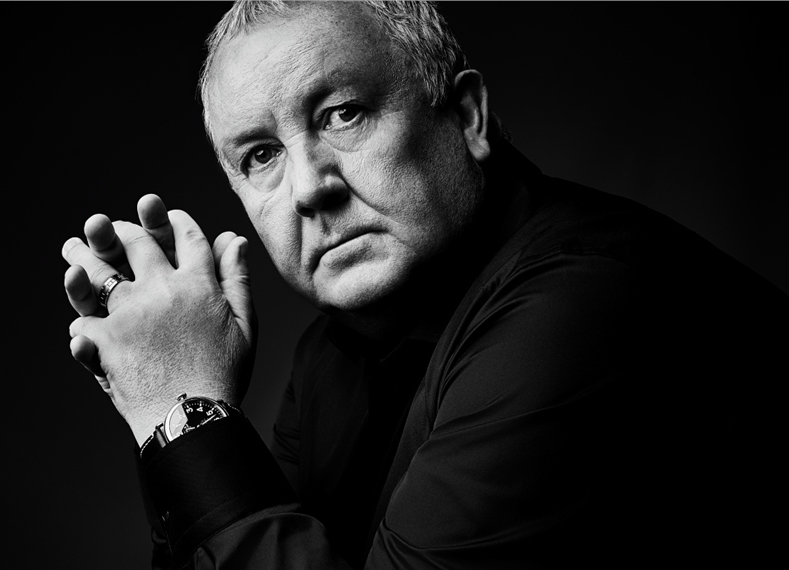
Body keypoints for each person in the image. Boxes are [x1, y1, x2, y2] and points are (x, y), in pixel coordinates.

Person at [61, 1, 788, 568]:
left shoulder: (586, 303)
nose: (308, 188)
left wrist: (183, 414)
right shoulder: (333, 353)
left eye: (343, 114)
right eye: (260, 155)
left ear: (466, 117)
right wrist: (169, 403)